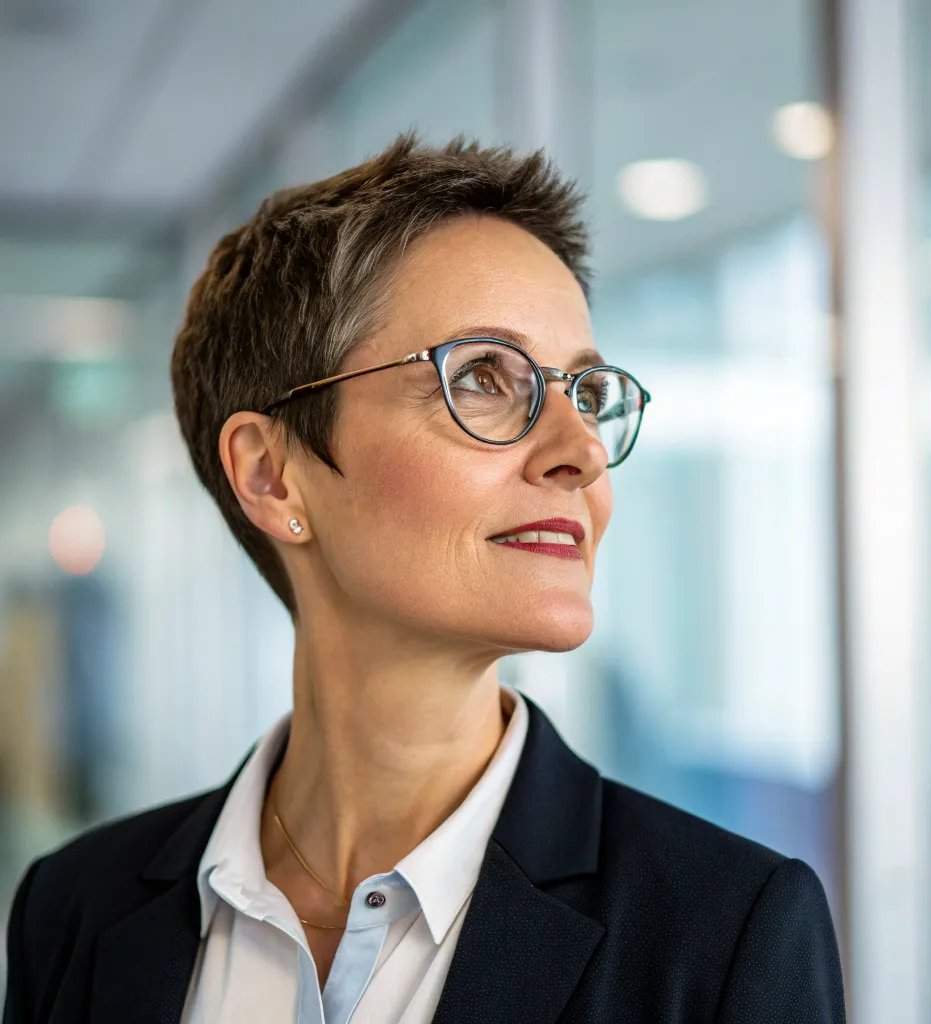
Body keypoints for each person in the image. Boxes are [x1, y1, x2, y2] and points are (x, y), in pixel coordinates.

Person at [3, 134, 844, 1023]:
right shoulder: (75, 909)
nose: (583, 452)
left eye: (586, 395)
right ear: (271, 474)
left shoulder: (723, 933)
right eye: (485, 376)